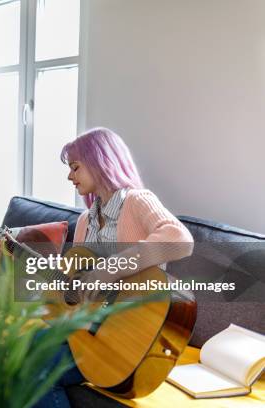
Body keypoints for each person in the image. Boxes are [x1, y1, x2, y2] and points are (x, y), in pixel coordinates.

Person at [33, 127, 194, 407]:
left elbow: (179, 239)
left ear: (99, 161)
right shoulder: (85, 220)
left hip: (126, 332)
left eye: (75, 167)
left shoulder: (137, 200)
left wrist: (106, 271)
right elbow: (76, 290)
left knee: (35, 370)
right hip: (88, 329)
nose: (69, 176)